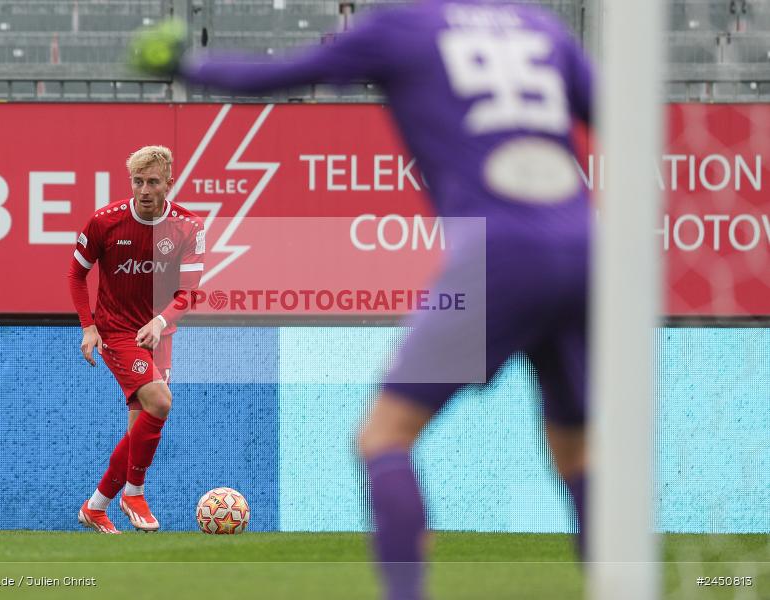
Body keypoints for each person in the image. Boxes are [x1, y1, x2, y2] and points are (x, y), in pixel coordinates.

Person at [130, 1, 592, 597]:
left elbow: (277, 76)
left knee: (384, 437)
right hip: (588, 248)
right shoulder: (540, 25)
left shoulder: (401, 25)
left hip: (498, 250)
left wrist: (187, 63)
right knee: (581, 453)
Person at [68, 145, 205, 534]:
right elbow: (76, 275)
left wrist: (161, 323)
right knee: (161, 401)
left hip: (158, 333)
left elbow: (190, 292)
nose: (144, 190)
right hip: (116, 330)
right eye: (138, 181)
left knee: (141, 426)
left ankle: (95, 507)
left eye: (153, 182)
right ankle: (134, 493)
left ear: (169, 184)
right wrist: (88, 325)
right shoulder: (105, 221)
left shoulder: (188, 226)